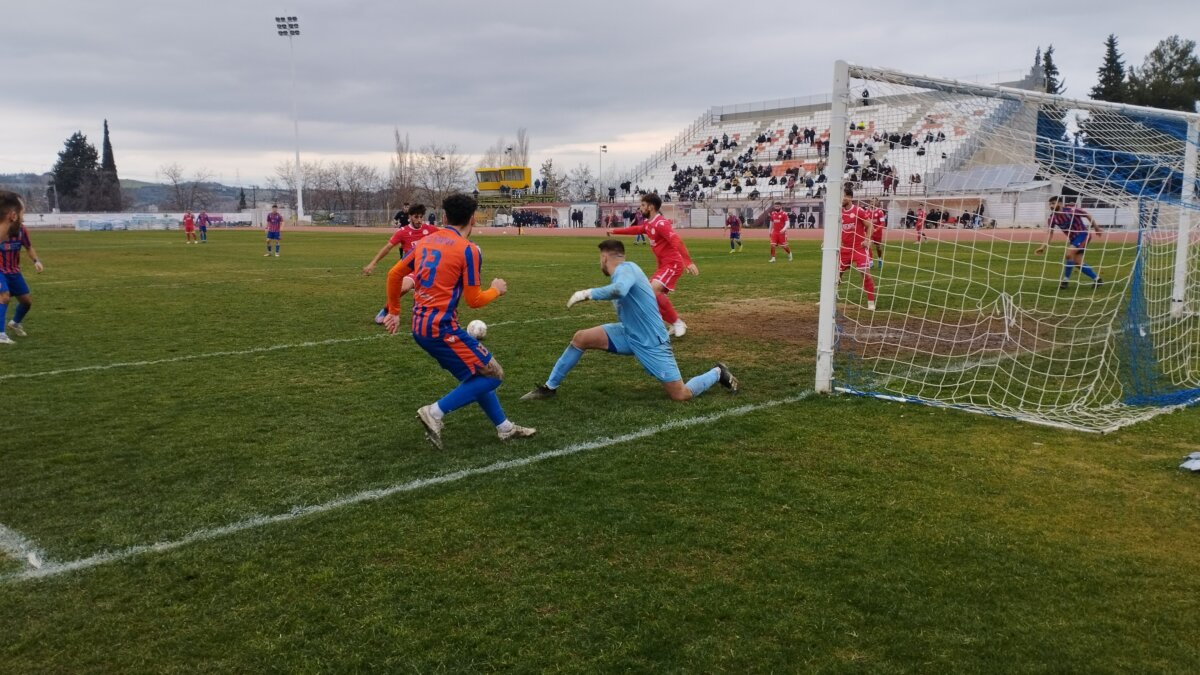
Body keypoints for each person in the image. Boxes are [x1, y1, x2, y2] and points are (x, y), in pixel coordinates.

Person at [382, 193, 535, 449]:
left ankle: (504, 428)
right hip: (441, 328)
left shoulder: (425, 242)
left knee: (475, 376)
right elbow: (474, 300)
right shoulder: (469, 250)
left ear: (444, 217)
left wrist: (394, 312)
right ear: (473, 218)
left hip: (420, 327)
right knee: (494, 374)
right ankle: (434, 412)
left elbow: (394, 274)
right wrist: (496, 289)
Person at [520, 239, 737, 402]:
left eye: (600, 259)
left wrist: (587, 293)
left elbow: (620, 290)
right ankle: (549, 388)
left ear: (605, 258)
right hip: (628, 333)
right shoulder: (624, 271)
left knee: (680, 394)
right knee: (581, 338)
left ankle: (717, 372)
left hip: (651, 341)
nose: (600, 263)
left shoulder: (626, 270)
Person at [606, 193, 697, 337]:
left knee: (652, 292)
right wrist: (615, 230)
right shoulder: (650, 223)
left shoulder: (661, 223)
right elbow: (636, 229)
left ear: (651, 207)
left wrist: (688, 262)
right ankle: (674, 323)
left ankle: (676, 322)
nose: (640, 208)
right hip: (663, 266)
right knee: (649, 295)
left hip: (672, 264)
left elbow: (676, 241)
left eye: (643, 205)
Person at [363, 204, 437, 324]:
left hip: (427, 269)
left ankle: (423, 312)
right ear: (410, 217)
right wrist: (373, 263)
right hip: (411, 268)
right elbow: (388, 247)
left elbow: (448, 236)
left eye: (421, 217)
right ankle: (386, 309)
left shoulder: (430, 229)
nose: (419, 220)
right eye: (416, 217)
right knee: (403, 288)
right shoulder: (403, 232)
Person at [0, 191, 45, 344]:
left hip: (14, 271)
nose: (23, 215)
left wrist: (36, 261)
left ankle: (15, 323)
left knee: (26, 302)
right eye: (22, 212)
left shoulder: (21, 230)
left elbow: (29, 247)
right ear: (13, 215)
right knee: (4, 296)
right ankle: (1, 334)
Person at [1035, 195, 1103, 289]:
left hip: (1083, 235)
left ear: (1060, 203)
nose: (1051, 206)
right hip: (1074, 239)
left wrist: (1096, 227)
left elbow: (1087, 214)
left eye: (1053, 203)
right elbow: (1050, 233)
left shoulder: (1071, 210)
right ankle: (1097, 279)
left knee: (1068, 254)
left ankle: (1065, 281)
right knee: (1077, 263)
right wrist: (1043, 247)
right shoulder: (1052, 218)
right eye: (1050, 204)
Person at [840, 190, 877, 311]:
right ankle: (830, 298)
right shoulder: (838, 212)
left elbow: (870, 225)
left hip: (858, 248)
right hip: (845, 248)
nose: (841, 198)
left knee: (865, 274)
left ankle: (871, 302)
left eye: (843, 196)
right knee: (836, 275)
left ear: (850, 197)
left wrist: (867, 240)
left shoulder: (858, 211)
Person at [869, 198, 887, 269]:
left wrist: (876, 229)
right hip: (870, 232)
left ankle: (879, 259)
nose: (872, 203)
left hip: (878, 233)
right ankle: (871, 262)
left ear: (877, 203)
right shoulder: (867, 211)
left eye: (874, 202)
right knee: (868, 245)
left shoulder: (880, 212)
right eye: (871, 201)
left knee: (878, 247)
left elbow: (882, 223)